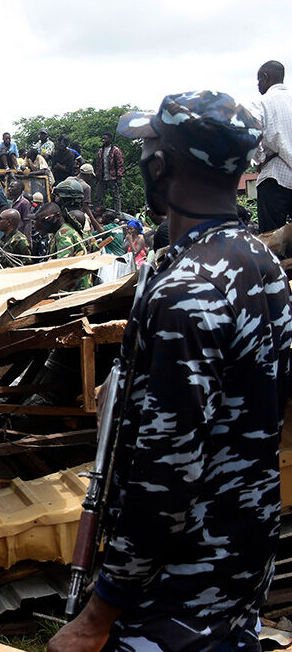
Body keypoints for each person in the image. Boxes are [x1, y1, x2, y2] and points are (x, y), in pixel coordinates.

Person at [51, 91, 287, 652]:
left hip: (176, 592)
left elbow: (166, 475)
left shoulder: (188, 294)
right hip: (240, 565)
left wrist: (97, 615)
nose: (144, 160)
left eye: (150, 149)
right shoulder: (261, 263)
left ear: (165, 166)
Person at [254, 60, 292, 232]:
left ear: (265, 77)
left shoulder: (262, 103)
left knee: (270, 242)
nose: (258, 85)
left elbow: (250, 132)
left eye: (258, 81)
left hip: (275, 178)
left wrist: (259, 159)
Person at [93, 132, 125, 213]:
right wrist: (97, 176)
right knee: (97, 196)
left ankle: (118, 213)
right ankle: (96, 211)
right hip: (102, 177)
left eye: (105, 138)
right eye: (102, 138)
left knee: (115, 196)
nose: (103, 140)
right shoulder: (101, 151)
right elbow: (98, 165)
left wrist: (119, 177)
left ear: (110, 139)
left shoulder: (116, 150)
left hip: (112, 177)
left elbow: (120, 164)